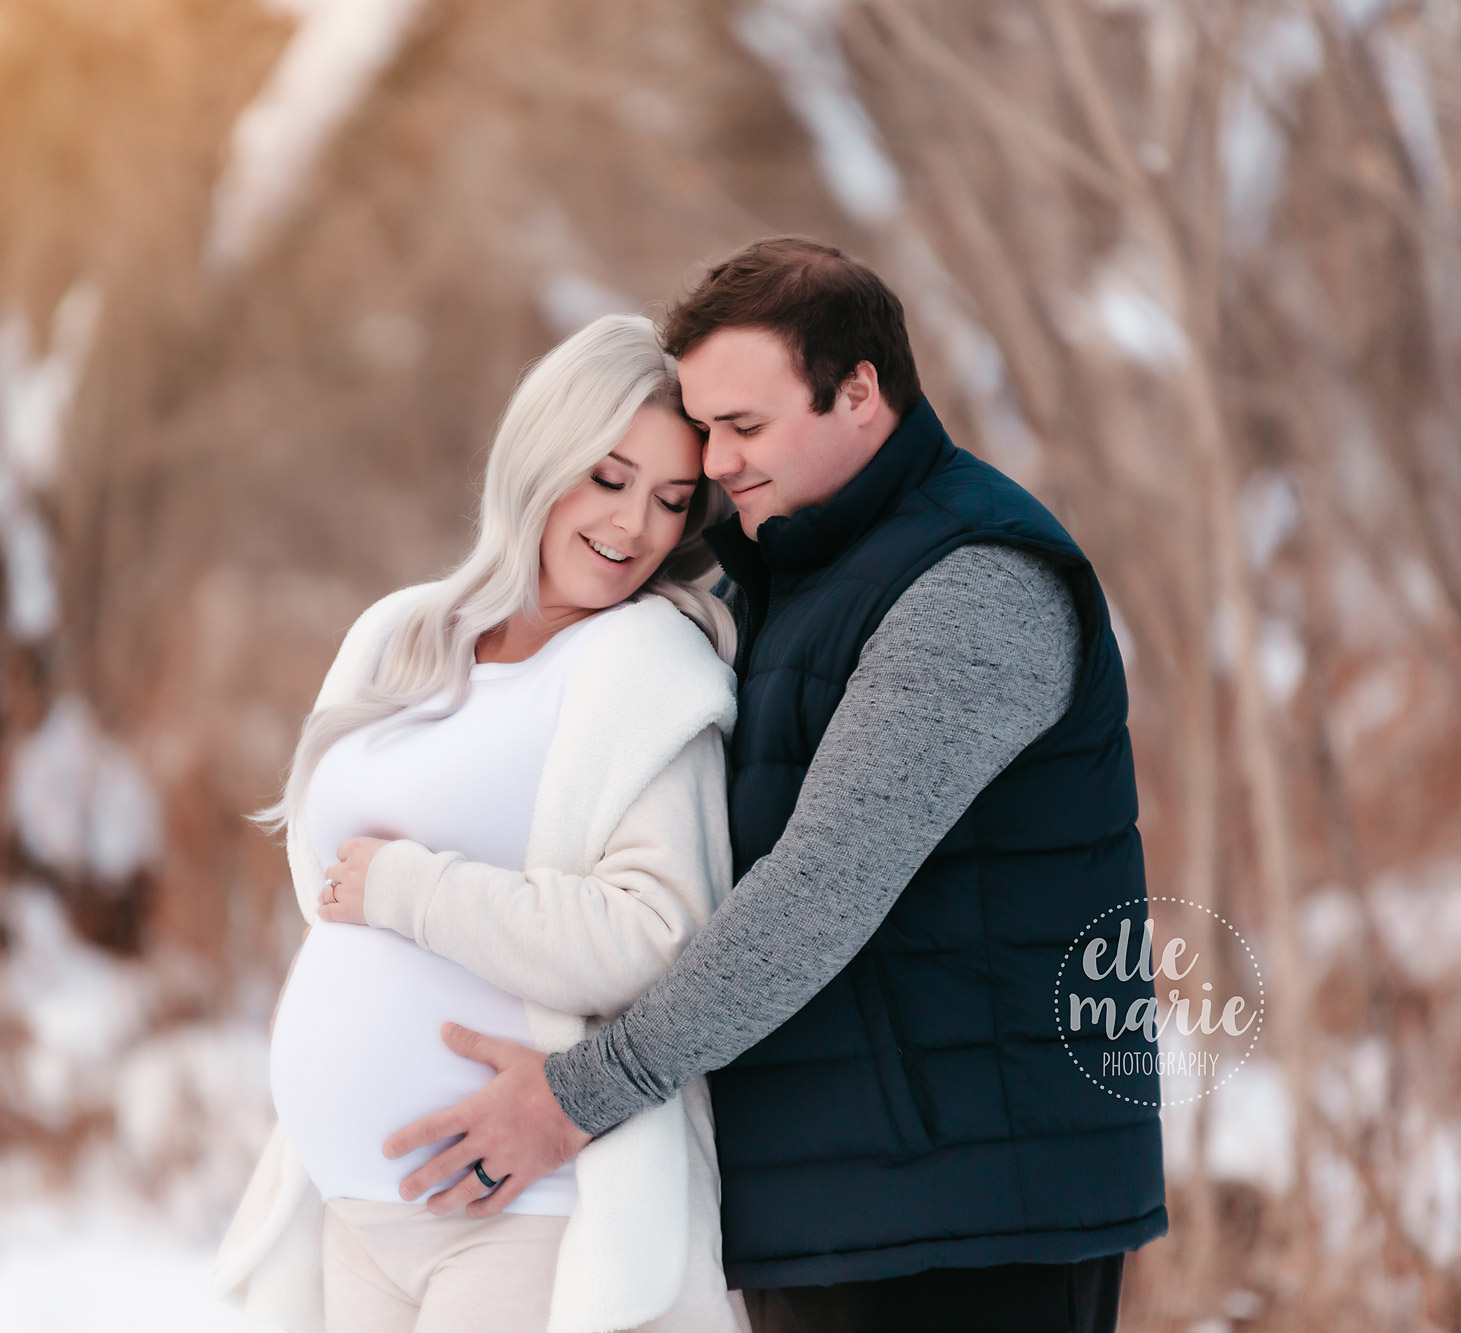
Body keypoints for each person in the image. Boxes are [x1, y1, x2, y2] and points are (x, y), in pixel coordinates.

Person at [384, 237, 1166, 1333]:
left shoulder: (973, 583)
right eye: (703, 429)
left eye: (742, 428)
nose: (712, 463)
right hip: (841, 1196)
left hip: (972, 1218)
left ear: (859, 393)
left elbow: (819, 892)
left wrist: (573, 1099)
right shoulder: (782, 572)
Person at [215, 314, 750, 1333]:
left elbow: (653, 938)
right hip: (345, 1207)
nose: (633, 526)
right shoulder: (404, 630)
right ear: (541, 455)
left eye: (670, 500)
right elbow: (330, 875)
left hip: (518, 1214)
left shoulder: (645, 665)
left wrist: (415, 893)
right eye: (607, 477)